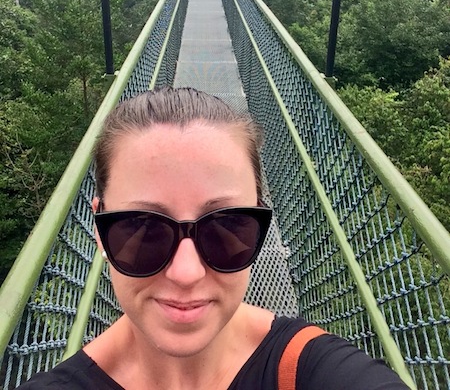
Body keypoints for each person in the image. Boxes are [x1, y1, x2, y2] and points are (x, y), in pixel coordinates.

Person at [18, 87, 409, 389]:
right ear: (100, 232)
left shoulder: (309, 370)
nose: (186, 273)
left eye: (227, 225)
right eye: (142, 228)